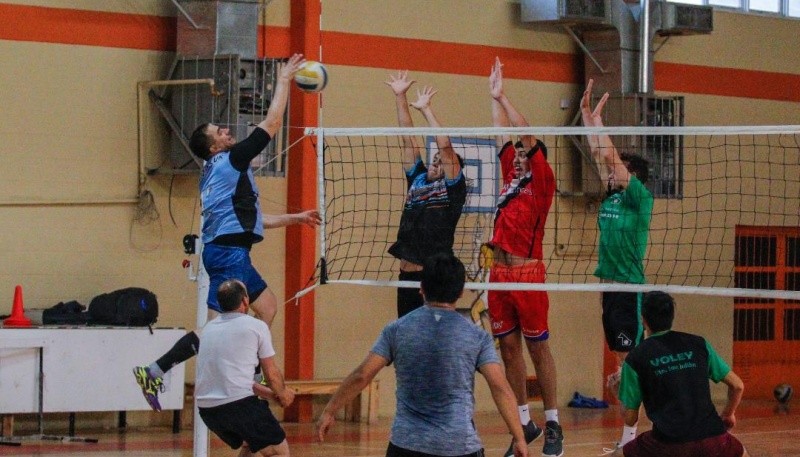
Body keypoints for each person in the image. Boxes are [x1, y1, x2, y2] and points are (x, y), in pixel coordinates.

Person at [132, 53, 322, 411]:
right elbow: (274, 121)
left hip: (233, 250)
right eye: (219, 132)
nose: (226, 131)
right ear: (214, 147)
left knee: (266, 308)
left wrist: (296, 218)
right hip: (227, 254)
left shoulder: (225, 171)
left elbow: (250, 222)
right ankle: (155, 370)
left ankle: (253, 374)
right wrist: (283, 81)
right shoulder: (230, 161)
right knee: (220, 328)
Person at [316, 253, 528, 457]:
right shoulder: (477, 336)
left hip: (406, 446)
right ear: (461, 291)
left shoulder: (396, 330)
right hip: (458, 446)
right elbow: (500, 388)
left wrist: (330, 410)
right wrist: (519, 437)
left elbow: (362, 375)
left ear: (422, 288)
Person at [486, 57, 561, 457]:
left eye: (522, 152)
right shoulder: (510, 176)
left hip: (528, 273)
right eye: (514, 153)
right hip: (498, 274)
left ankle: (553, 424)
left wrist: (505, 95)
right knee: (508, 350)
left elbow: (524, 133)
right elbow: (502, 135)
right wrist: (491, 97)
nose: (515, 153)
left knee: (538, 349)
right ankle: (524, 423)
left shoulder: (542, 180)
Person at [608, 291, 749, 457]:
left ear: (643, 319)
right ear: (671, 316)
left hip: (667, 445)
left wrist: (619, 395)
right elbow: (738, 386)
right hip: (713, 438)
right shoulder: (699, 344)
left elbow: (630, 419)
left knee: (617, 455)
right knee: (742, 453)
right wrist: (728, 414)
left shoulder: (636, 358)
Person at [580, 79, 654, 394]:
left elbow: (610, 160)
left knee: (631, 362)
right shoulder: (611, 196)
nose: (613, 173)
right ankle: (629, 436)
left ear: (633, 176)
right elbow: (600, 155)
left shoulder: (640, 198)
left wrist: (599, 123)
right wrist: (587, 117)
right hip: (608, 287)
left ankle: (640, 431)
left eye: (622, 169)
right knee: (622, 362)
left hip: (628, 288)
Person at [385, 70, 467, 318]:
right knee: (407, 341)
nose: (435, 164)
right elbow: (407, 138)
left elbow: (446, 147)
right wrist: (401, 96)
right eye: (434, 161)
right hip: (407, 277)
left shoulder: (452, 189)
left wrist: (427, 110)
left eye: (441, 163)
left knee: (434, 342)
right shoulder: (417, 178)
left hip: (434, 278)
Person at [196, 279, 296, 457]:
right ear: (245, 300)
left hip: (208, 410)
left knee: (252, 442)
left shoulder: (208, 329)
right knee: (278, 450)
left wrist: (271, 395)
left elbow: (237, 381)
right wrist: (283, 393)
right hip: (238, 405)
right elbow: (271, 373)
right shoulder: (256, 326)